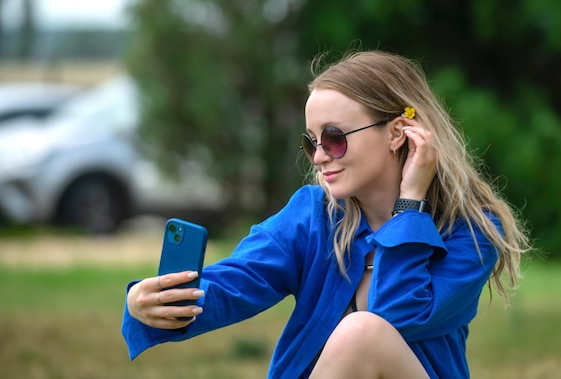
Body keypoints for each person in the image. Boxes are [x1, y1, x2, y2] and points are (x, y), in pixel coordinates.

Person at [121, 50, 531, 378]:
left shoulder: (472, 232)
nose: (318, 157)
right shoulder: (314, 215)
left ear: (396, 133)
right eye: (311, 141)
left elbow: (399, 316)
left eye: (334, 139)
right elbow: (242, 280)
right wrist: (153, 302)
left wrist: (409, 205)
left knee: (363, 333)